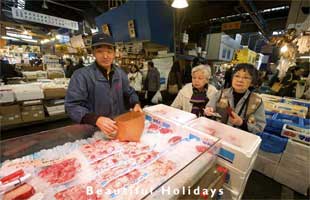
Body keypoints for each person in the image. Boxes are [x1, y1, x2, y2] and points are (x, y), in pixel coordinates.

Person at [65, 33, 142, 139]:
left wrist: (135, 103)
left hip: (119, 128)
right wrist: (96, 119)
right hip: (93, 132)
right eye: (100, 51)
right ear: (93, 53)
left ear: (114, 53)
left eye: (109, 51)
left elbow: (129, 92)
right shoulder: (81, 75)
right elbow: (72, 106)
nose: (105, 56)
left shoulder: (120, 73)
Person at [205, 63, 266, 134]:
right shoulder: (220, 94)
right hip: (217, 133)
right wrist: (208, 112)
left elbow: (259, 127)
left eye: (246, 77)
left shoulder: (257, 101)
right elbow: (209, 111)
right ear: (232, 78)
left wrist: (241, 123)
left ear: (252, 82)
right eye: (237, 76)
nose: (240, 80)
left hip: (239, 138)